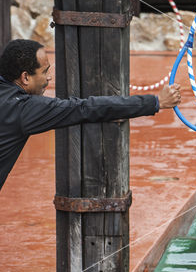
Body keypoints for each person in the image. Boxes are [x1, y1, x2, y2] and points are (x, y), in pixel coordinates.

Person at [0, 39, 181, 189]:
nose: (49, 78)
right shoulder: (24, 109)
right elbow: (86, 108)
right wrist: (156, 102)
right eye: (45, 71)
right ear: (25, 77)